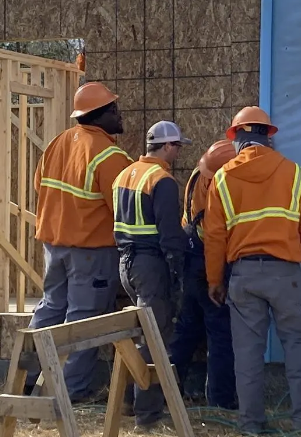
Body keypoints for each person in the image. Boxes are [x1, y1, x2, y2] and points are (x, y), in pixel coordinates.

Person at [202, 106, 301, 434]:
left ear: (236, 137)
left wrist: (215, 281)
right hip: (286, 276)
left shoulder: (223, 178)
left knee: (247, 357)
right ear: (268, 135)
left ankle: (251, 425)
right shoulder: (294, 173)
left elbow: (215, 237)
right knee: (297, 352)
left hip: (243, 278)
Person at [25, 81, 134, 402]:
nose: (119, 115)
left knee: (49, 309)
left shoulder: (57, 143)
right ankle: (71, 394)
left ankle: (24, 381)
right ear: (99, 116)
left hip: (53, 245)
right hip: (91, 250)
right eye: (113, 110)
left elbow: (39, 187)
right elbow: (123, 210)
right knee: (84, 319)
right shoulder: (109, 155)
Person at [112, 120, 191, 428]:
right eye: (178, 147)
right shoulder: (162, 180)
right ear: (167, 146)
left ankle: (131, 404)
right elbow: (169, 233)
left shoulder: (124, 175)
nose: (179, 153)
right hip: (150, 265)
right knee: (155, 339)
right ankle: (147, 416)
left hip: (126, 264)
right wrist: (176, 268)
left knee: (140, 336)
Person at [168, 139, 238, 410]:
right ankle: (220, 402)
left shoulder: (198, 176)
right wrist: (216, 279)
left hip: (191, 260)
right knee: (220, 333)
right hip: (210, 263)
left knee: (186, 329)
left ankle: (167, 392)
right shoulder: (217, 186)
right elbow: (218, 237)